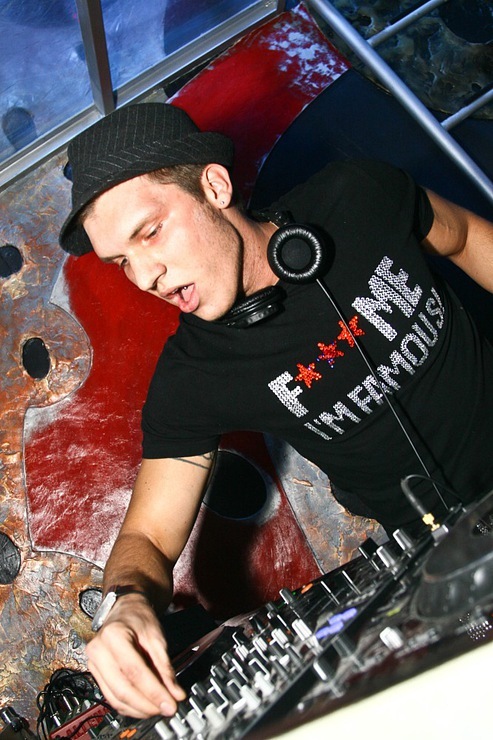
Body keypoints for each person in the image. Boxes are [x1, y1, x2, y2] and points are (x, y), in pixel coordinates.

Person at [59, 102, 493, 719]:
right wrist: (124, 605)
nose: (146, 275)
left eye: (149, 233)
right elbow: (148, 537)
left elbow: (467, 236)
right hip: (452, 554)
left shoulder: (358, 197)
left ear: (214, 187)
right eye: (121, 261)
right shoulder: (194, 379)